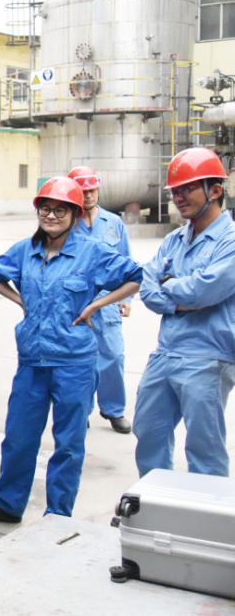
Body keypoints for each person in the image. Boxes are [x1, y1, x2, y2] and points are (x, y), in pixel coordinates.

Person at [0, 178, 141, 528]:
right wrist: (21, 300)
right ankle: (8, 503)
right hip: (32, 360)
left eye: (60, 210)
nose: (51, 215)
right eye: (45, 209)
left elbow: (135, 277)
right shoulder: (25, 250)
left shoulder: (92, 252)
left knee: (68, 444)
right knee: (19, 437)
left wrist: (96, 305)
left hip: (73, 363)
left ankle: (58, 514)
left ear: (75, 214)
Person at [134, 147, 235, 478]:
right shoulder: (174, 239)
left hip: (207, 356)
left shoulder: (230, 241)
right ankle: (154, 509)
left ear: (215, 190)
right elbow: (148, 290)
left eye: (187, 188)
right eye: (175, 191)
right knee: (148, 432)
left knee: (204, 448)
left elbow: (206, 290)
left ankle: (208, 523)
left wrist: (172, 286)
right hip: (166, 352)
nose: (178, 197)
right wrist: (179, 294)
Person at [67, 166, 134, 434]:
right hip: (77, 301)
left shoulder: (113, 223)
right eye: (83, 191)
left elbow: (126, 261)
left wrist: (127, 297)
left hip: (107, 300)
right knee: (79, 361)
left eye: (92, 190)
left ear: (98, 189)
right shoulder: (67, 222)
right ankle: (81, 409)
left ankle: (113, 409)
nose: (88, 196)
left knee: (114, 356)